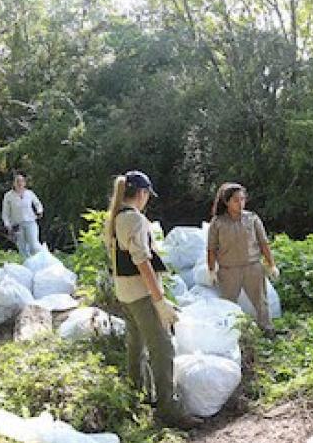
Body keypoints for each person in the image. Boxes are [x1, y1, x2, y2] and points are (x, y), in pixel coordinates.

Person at [104, 170, 201, 429]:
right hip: (141, 295)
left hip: (125, 294)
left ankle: (138, 397)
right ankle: (168, 410)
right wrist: (159, 301)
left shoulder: (115, 217)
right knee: (163, 348)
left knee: (136, 346)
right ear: (143, 193)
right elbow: (143, 263)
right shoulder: (134, 219)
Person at [206, 183, 279, 338]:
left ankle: (267, 330)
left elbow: (263, 243)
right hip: (228, 270)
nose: (240, 204)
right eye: (236, 200)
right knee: (228, 304)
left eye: (242, 200)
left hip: (252, 267)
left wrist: (271, 264)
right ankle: (230, 335)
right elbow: (211, 248)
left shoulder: (252, 219)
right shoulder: (218, 223)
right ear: (226, 202)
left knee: (261, 301)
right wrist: (211, 270)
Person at [1, 172, 43, 258]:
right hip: (17, 225)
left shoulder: (29, 193)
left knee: (34, 246)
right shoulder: (8, 196)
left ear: (24, 183)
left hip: (30, 222)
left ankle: (43, 259)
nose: (20, 183)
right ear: (14, 183)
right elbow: (5, 213)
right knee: (23, 249)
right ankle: (28, 268)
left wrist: (39, 211)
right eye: (17, 181)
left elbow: (38, 204)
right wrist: (7, 225)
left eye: (21, 181)